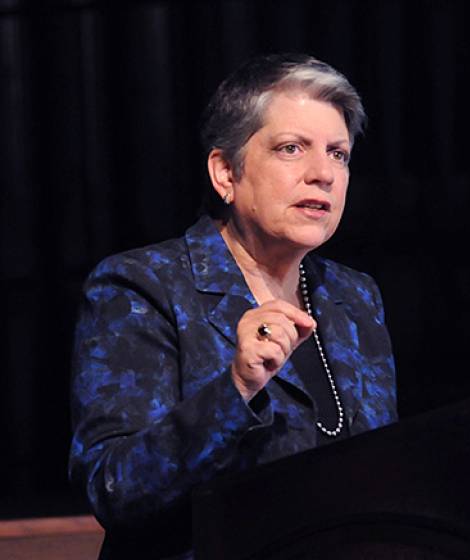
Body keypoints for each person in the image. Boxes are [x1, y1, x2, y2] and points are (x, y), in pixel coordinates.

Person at [68, 53, 397, 559]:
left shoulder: (355, 298)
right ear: (225, 172)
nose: (323, 174)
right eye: (292, 148)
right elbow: (114, 488)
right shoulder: (142, 287)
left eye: (338, 154)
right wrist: (237, 388)